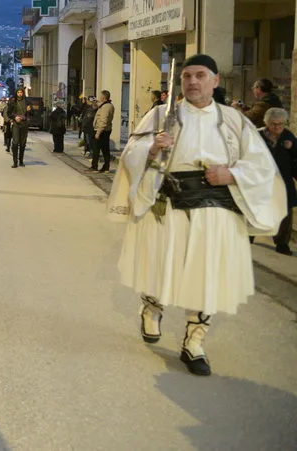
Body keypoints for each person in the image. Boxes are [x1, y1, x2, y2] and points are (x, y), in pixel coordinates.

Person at [108, 54, 286, 376]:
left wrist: (232, 175)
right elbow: (130, 152)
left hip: (216, 209)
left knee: (206, 275)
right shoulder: (161, 114)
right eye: (187, 76)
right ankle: (151, 308)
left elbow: (261, 165)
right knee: (161, 264)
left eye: (200, 75)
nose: (192, 82)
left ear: (215, 81)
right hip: (168, 203)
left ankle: (195, 341)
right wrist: (151, 149)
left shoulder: (234, 120)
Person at [260, 107, 296, 255]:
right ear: (267, 123)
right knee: (257, 208)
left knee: (285, 212)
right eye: (274, 124)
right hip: (262, 180)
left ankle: (282, 243)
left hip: (283, 179)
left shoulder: (288, 135)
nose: (278, 127)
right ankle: (250, 235)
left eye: (281, 124)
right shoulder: (258, 135)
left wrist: (292, 147)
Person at [91, 90, 115, 173]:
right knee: (104, 149)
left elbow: (103, 120)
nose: (99, 97)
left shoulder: (106, 107)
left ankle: (96, 166)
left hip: (102, 131)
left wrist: (98, 133)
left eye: (100, 96)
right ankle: (105, 167)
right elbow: (99, 106)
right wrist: (96, 103)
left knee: (98, 149)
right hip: (104, 130)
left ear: (104, 97)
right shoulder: (107, 105)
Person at [5, 87, 29, 168]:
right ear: (16, 93)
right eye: (18, 92)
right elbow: (9, 113)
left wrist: (30, 110)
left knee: (23, 143)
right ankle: (15, 162)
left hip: (24, 124)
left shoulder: (27, 101)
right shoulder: (13, 102)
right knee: (15, 143)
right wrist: (14, 117)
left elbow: (31, 113)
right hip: (16, 124)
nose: (20, 94)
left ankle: (21, 161)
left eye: (21, 92)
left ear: (23, 93)